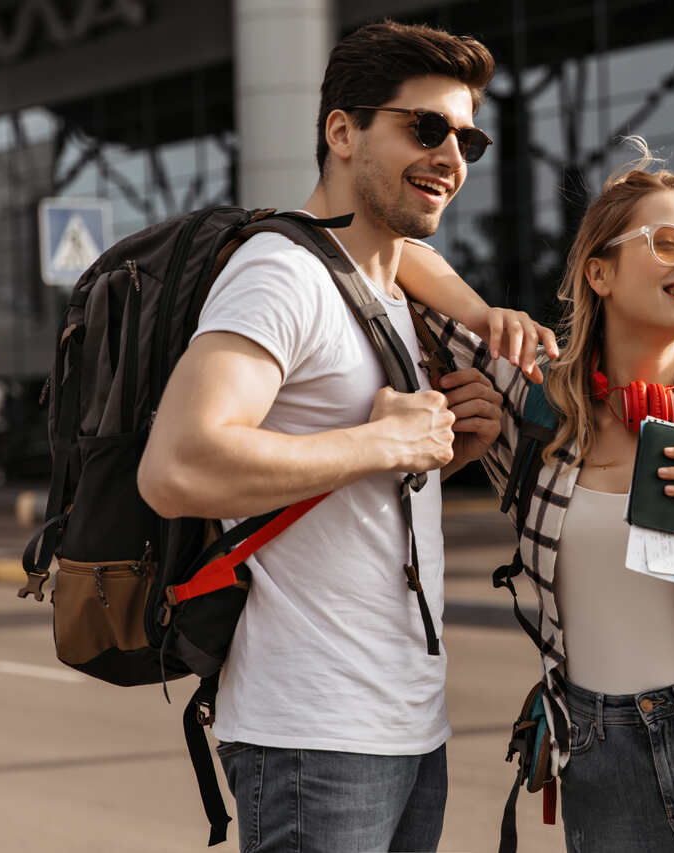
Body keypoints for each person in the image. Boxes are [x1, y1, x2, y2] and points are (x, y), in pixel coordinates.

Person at [137, 20, 554, 853]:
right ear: (342, 131)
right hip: (312, 734)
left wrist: (442, 450)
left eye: (466, 136)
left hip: (405, 724)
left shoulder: (386, 284)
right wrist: (386, 446)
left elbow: (350, 467)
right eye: (423, 127)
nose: (452, 155)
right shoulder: (280, 274)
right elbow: (178, 464)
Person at [404, 141, 674, 851]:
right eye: (667, 242)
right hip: (604, 779)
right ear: (599, 271)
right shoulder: (540, 405)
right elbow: (395, 255)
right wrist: (488, 316)